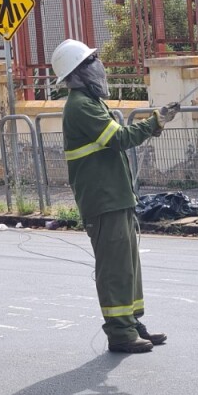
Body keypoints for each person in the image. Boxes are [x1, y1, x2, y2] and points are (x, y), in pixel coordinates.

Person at [51, 39, 180, 354]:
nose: (99, 66)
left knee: (129, 266)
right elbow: (118, 139)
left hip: (116, 197)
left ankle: (132, 323)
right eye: (92, 61)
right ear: (79, 72)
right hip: (103, 200)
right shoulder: (80, 105)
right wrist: (154, 122)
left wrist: (154, 124)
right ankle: (119, 333)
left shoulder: (92, 102)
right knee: (114, 268)